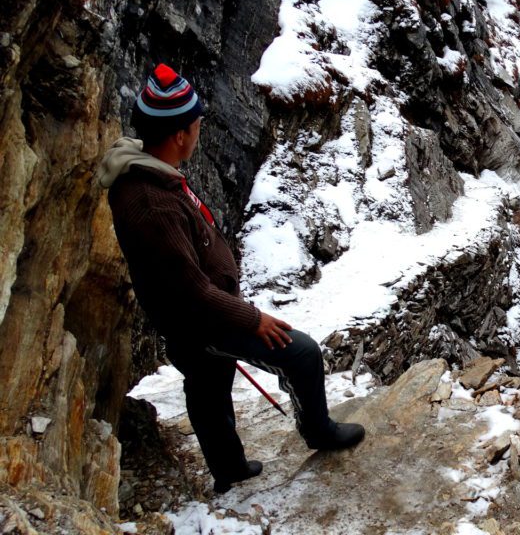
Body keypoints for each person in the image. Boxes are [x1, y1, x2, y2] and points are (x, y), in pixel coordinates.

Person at [98, 64, 364, 493]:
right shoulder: (152, 203)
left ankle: (229, 467)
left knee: (208, 382)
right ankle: (319, 432)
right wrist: (251, 318)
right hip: (201, 318)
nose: (200, 129)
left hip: (192, 316)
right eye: (196, 123)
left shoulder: (147, 171)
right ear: (179, 134)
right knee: (301, 353)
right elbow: (192, 291)